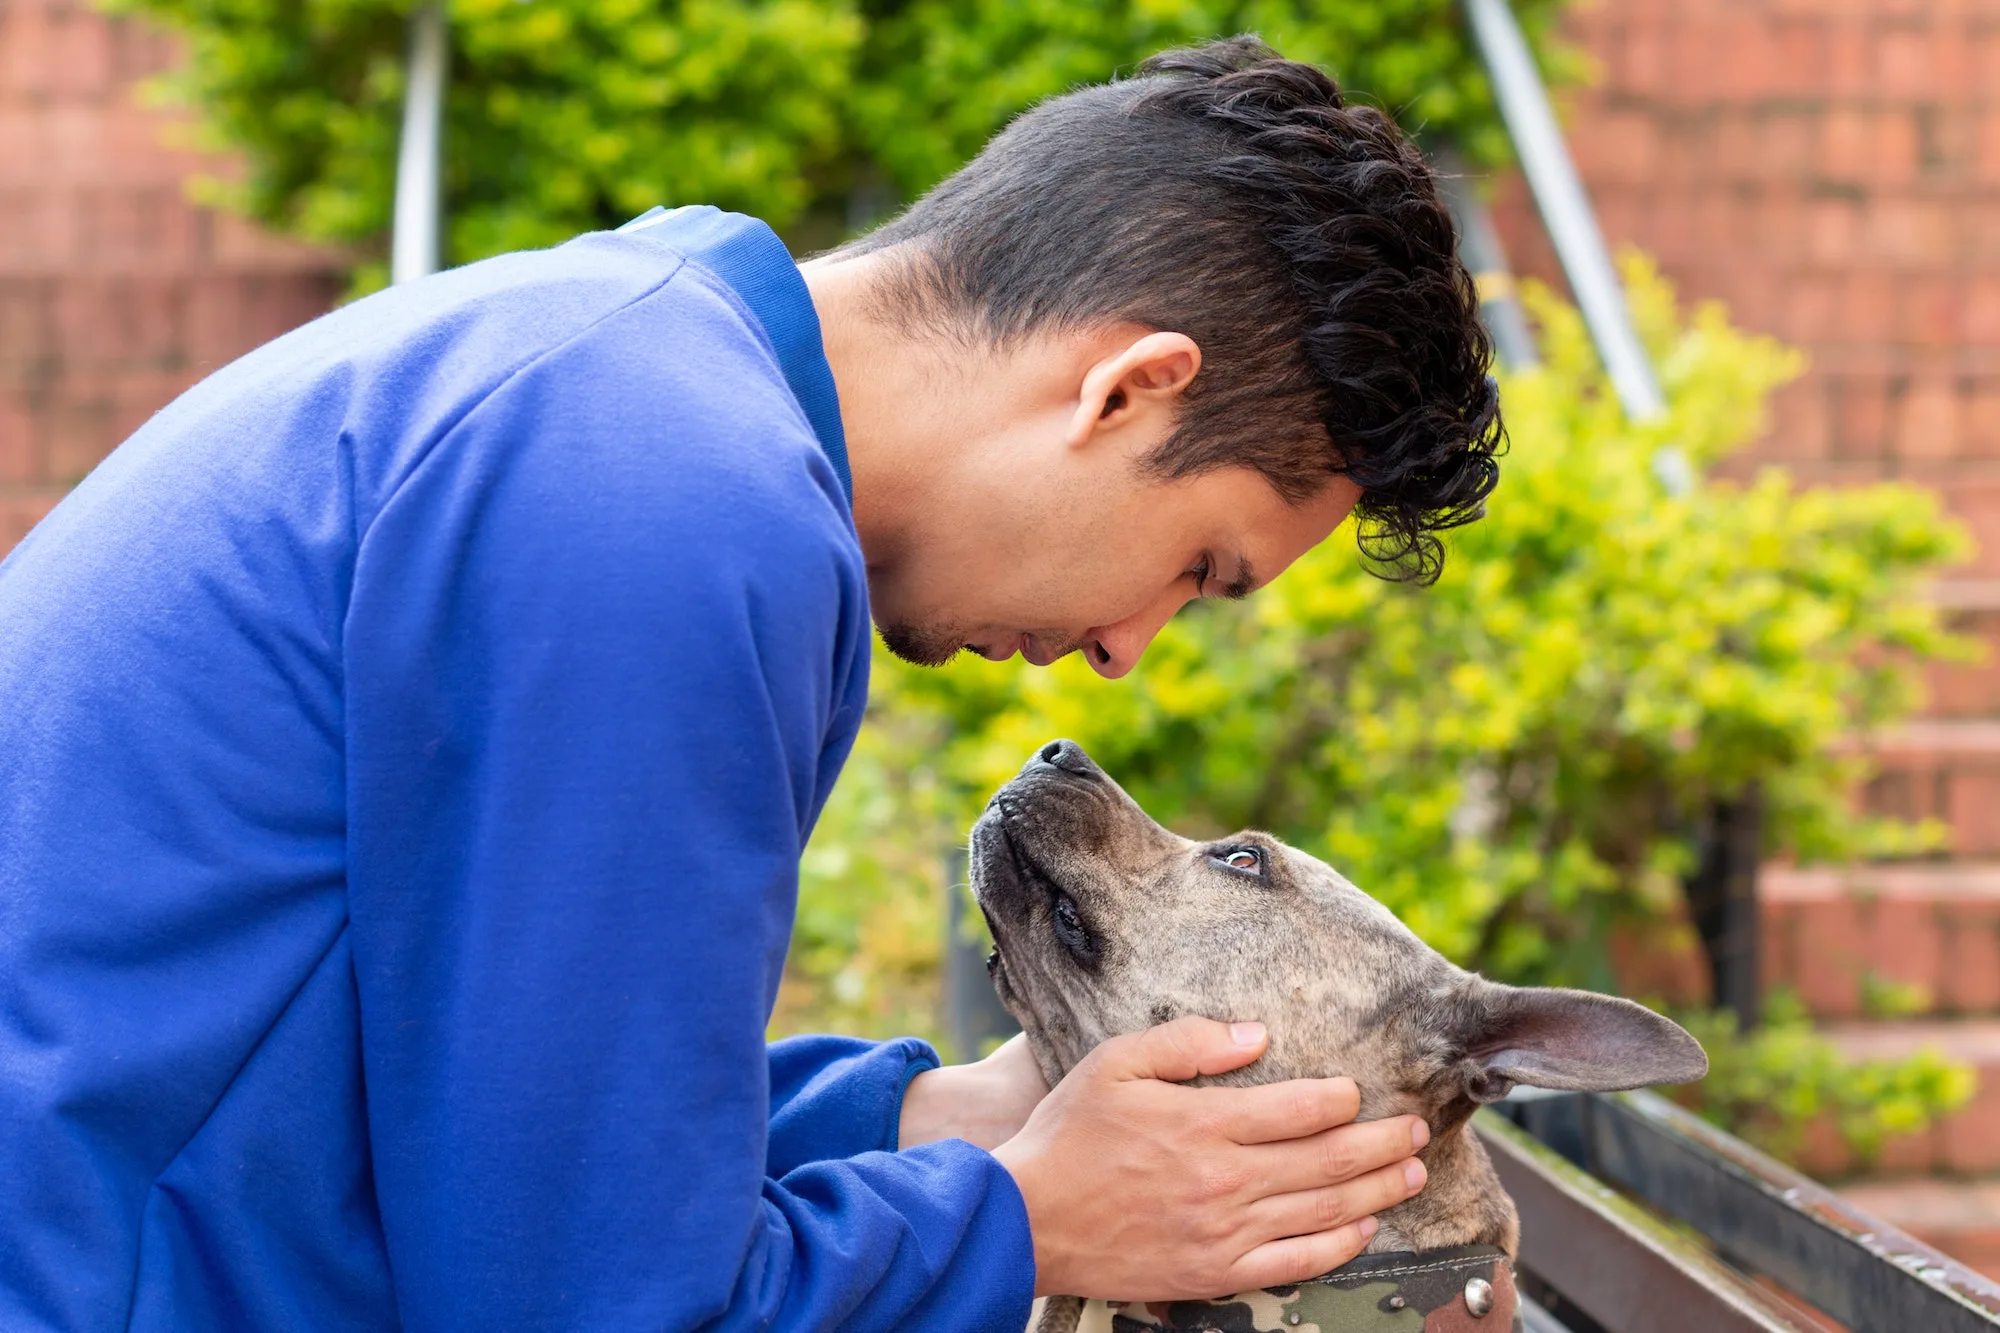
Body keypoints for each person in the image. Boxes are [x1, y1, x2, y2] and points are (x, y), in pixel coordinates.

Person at [0, 36, 1500, 1332]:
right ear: (1126, 392)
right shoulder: (667, 510)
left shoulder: (626, 375)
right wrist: (1018, 1219)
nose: (1128, 648)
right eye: (1199, 568)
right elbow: (585, 1308)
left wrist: (928, 1120)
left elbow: (495, 1125)